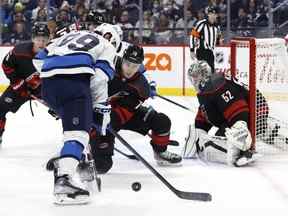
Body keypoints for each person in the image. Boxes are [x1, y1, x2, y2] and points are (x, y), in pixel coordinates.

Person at [38, 29, 119, 204]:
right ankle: (64, 182)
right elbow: (99, 78)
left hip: (47, 85)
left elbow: (38, 59)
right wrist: (101, 108)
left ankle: (77, 159)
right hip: (73, 82)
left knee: (76, 127)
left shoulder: (68, 36)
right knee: (79, 133)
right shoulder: (107, 46)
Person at [89, 44, 182, 174]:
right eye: (127, 64)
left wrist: (110, 118)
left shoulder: (141, 86)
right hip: (100, 114)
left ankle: (160, 152)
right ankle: (84, 152)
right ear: (122, 59)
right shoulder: (107, 67)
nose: (130, 69)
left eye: (135, 66)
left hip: (121, 116)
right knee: (101, 166)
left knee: (162, 121)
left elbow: (125, 113)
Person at [182, 60, 263, 167]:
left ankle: (241, 144)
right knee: (215, 140)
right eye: (192, 77)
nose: (193, 80)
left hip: (256, 112)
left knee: (211, 146)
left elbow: (238, 107)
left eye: (196, 76)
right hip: (249, 111)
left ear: (204, 75)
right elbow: (208, 110)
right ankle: (238, 143)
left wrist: (240, 126)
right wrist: (198, 130)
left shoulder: (216, 85)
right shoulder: (212, 84)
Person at [0, 23, 49, 146]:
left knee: (66, 112)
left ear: (49, 39)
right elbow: (6, 64)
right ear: (33, 39)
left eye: (44, 40)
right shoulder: (19, 51)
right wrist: (16, 81)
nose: (41, 43)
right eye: (38, 39)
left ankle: (74, 140)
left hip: (44, 90)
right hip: (20, 88)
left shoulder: (54, 53)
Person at [189, 6, 222, 73]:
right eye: (211, 14)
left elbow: (217, 39)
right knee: (202, 73)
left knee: (211, 72)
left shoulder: (217, 26)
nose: (212, 16)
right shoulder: (202, 24)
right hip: (201, 51)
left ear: (217, 15)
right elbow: (193, 36)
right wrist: (192, 50)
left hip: (210, 52)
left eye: (214, 14)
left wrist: (219, 41)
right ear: (208, 14)